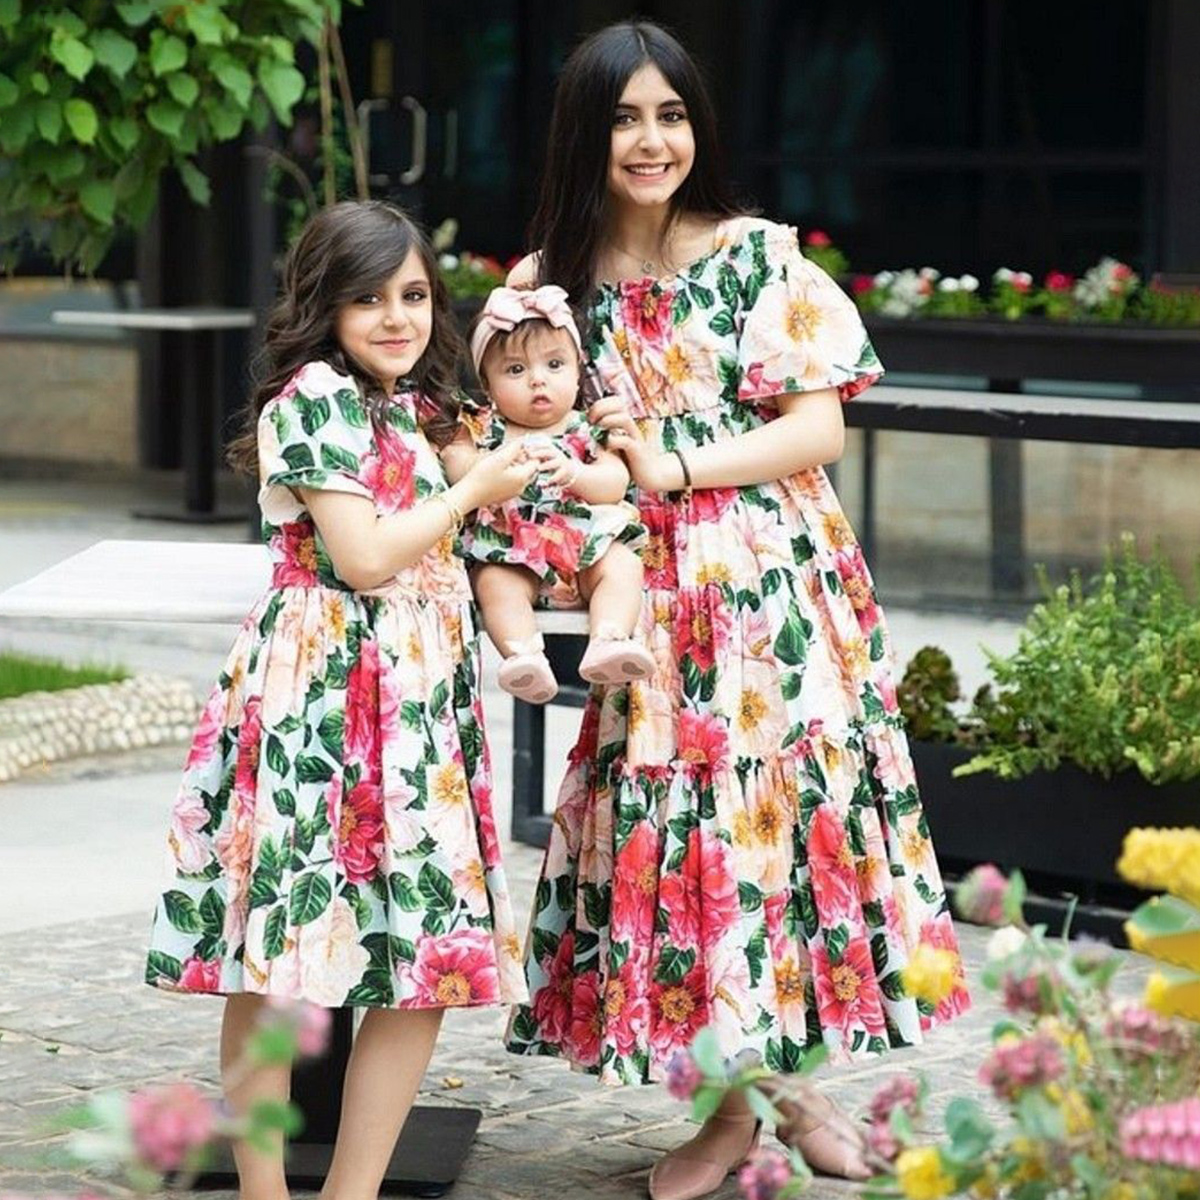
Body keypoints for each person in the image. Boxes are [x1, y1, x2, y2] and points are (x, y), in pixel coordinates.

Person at [502, 22, 971, 1200]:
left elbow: (818, 429)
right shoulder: (546, 286)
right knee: (690, 840)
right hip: (641, 596)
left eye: (670, 114)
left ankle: (736, 1118)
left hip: (770, 584)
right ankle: (775, 1100)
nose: (651, 140)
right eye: (624, 118)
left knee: (772, 833)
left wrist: (670, 465)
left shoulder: (756, 258)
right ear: (583, 134)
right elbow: (519, 422)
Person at [144, 200, 535, 1200]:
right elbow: (361, 558)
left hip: (417, 701)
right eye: (369, 299)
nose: (397, 317)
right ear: (325, 306)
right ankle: (266, 1192)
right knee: (283, 956)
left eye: (414, 295)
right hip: (318, 700)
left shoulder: (416, 405)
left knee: (429, 955)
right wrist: (469, 492)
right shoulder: (312, 397)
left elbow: (527, 471)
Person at [443, 283, 650, 703]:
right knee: (493, 581)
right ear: (488, 384)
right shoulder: (485, 430)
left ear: (577, 373)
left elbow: (614, 482)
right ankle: (523, 654)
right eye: (515, 370)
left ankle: (609, 637)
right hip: (512, 553)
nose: (538, 379)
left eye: (554, 364)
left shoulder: (586, 428)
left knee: (623, 564)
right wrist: (486, 463)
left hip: (584, 552)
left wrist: (575, 473)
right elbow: (457, 466)